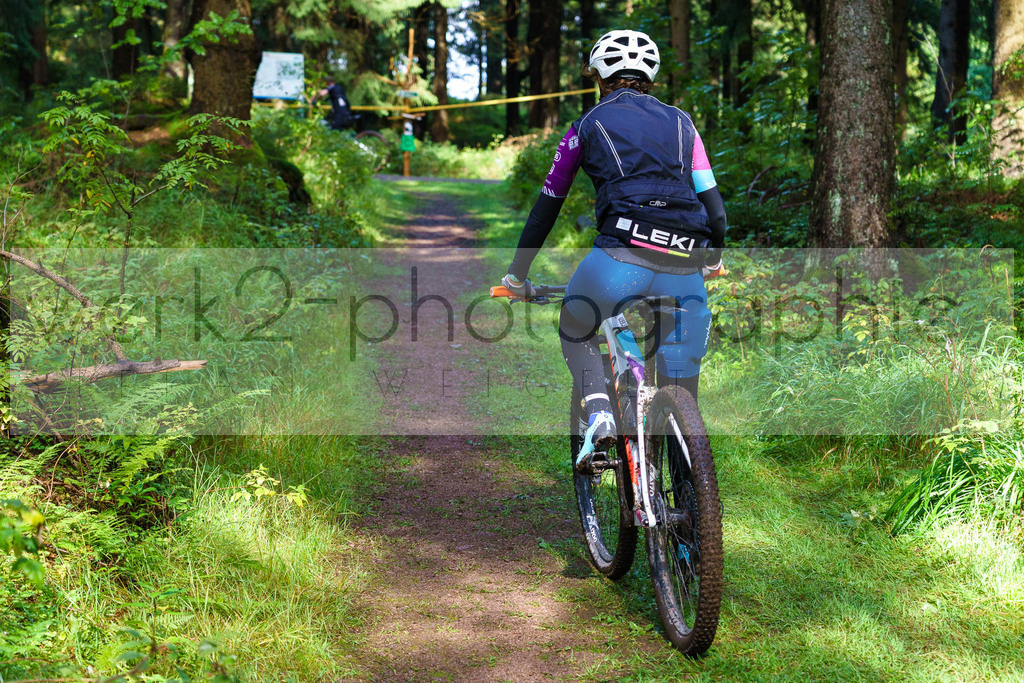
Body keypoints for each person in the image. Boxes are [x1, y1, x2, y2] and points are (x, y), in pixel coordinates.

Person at [501, 29, 727, 454]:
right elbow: (716, 213)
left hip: (617, 265)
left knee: (575, 324)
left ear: (600, 77)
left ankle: (601, 411)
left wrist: (517, 276)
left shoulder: (584, 126)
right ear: (651, 76)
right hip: (684, 266)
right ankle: (677, 494)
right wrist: (711, 258)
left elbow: (545, 209)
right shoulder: (685, 124)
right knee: (679, 390)